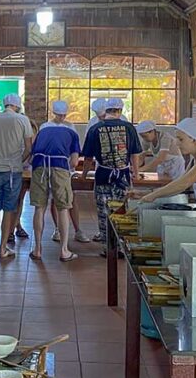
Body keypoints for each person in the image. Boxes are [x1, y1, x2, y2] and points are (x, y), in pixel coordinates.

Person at [82, 98, 142, 247]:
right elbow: (135, 154)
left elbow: (88, 158)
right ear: (120, 111)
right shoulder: (129, 128)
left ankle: (107, 246)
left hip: (103, 175)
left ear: (106, 111)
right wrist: (136, 173)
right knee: (122, 210)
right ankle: (122, 245)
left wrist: (83, 175)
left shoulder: (95, 128)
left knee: (104, 211)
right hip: (123, 176)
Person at [28, 101, 80, 262]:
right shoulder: (71, 130)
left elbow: (32, 155)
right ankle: (64, 250)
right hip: (60, 167)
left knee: (39, 207)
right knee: (63, 208)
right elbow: (75, 161)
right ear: (66, 114)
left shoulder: (43, 127)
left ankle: (37, 249)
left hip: (40, 166)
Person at [0, 94, 33, 257]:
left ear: (4, 104)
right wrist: (17, 160)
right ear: (17, 106)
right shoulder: (22, 120)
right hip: (13, 170)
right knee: (9, 209)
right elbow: (28, 148)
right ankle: (3, 247)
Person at [40, 101, 90, 244]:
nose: (61, 118)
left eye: (63, 115)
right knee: (55, 200)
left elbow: (74, 150)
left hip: (66, 168)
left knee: (71, 199)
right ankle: (58, 228)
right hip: (52, 168)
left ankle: (77, 229)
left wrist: (69, 166)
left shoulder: (70, 127)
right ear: (54, 113)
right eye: (59, 115)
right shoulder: (46, 126)